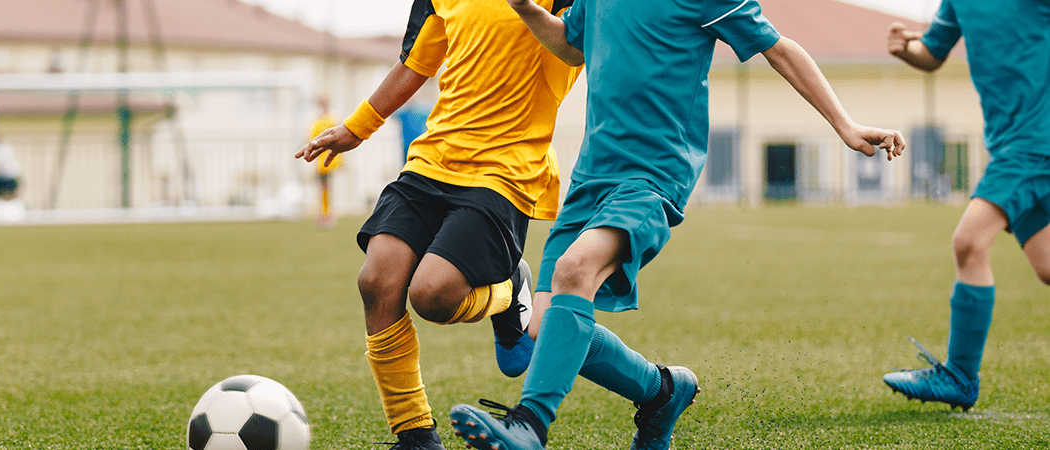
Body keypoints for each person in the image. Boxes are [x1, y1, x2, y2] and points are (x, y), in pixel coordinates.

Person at [447, 0, 906, 449]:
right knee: (545, 328)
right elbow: (571, 45)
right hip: (591, 175)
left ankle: (530, 425)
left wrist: (845, 125)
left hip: (653, 175)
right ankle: (662, 392)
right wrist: (526, 8)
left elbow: (779, 48)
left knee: (575, 269)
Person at [294, 0, 582, 447]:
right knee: (376, 280)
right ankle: (415, 435)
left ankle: (507, 294)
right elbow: (415, 63)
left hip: (505, 169)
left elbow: (574, 50)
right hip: (434, 159)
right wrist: (356, 128)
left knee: (432, 295)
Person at [881, 2, 1050, 411]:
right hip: (1010, 143)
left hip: (1034, 142)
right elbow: (934, 52)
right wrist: (906, 49)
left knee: (969, 243)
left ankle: (959, 376)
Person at [309, 97, 343, 228]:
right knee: (325, 188)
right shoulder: (325, 120)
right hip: (323, 160)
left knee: (325, 188)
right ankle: (325, 214)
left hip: (327, 160)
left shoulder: (326, 121)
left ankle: (326, 215)